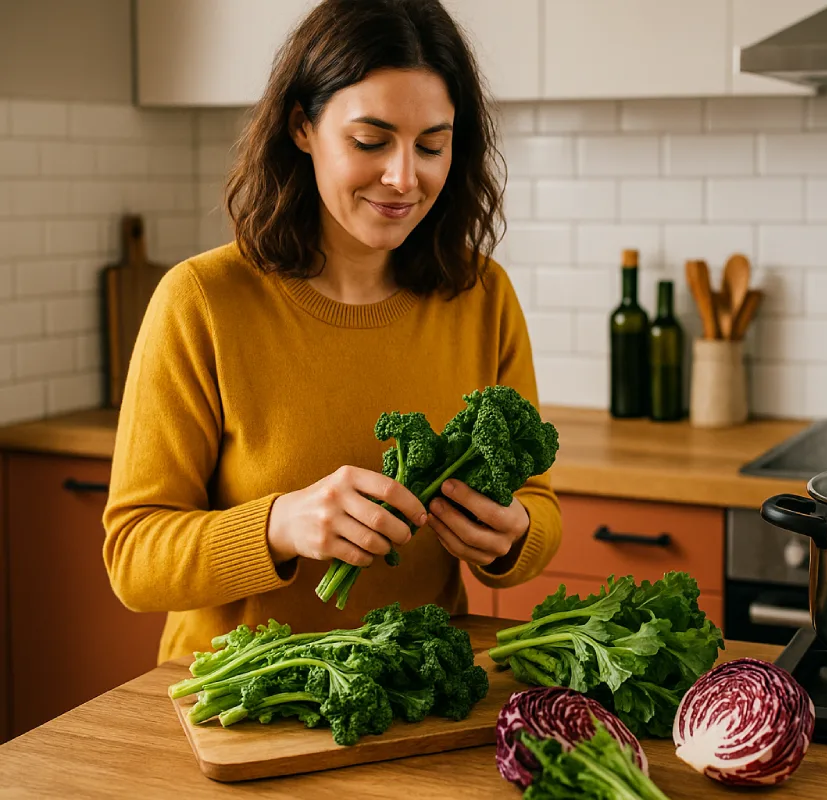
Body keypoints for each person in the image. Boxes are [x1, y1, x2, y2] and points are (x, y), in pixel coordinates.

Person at [102, 0, 561, 664]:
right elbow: (134, 558)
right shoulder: (201, 301)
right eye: (370, 141)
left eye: (432, 144)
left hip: (414, 695)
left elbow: (537, 503)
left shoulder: (482, 295)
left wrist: (513, 535)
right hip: (239, 705)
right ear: (302, 128)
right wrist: (280, 525)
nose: (406, 176)